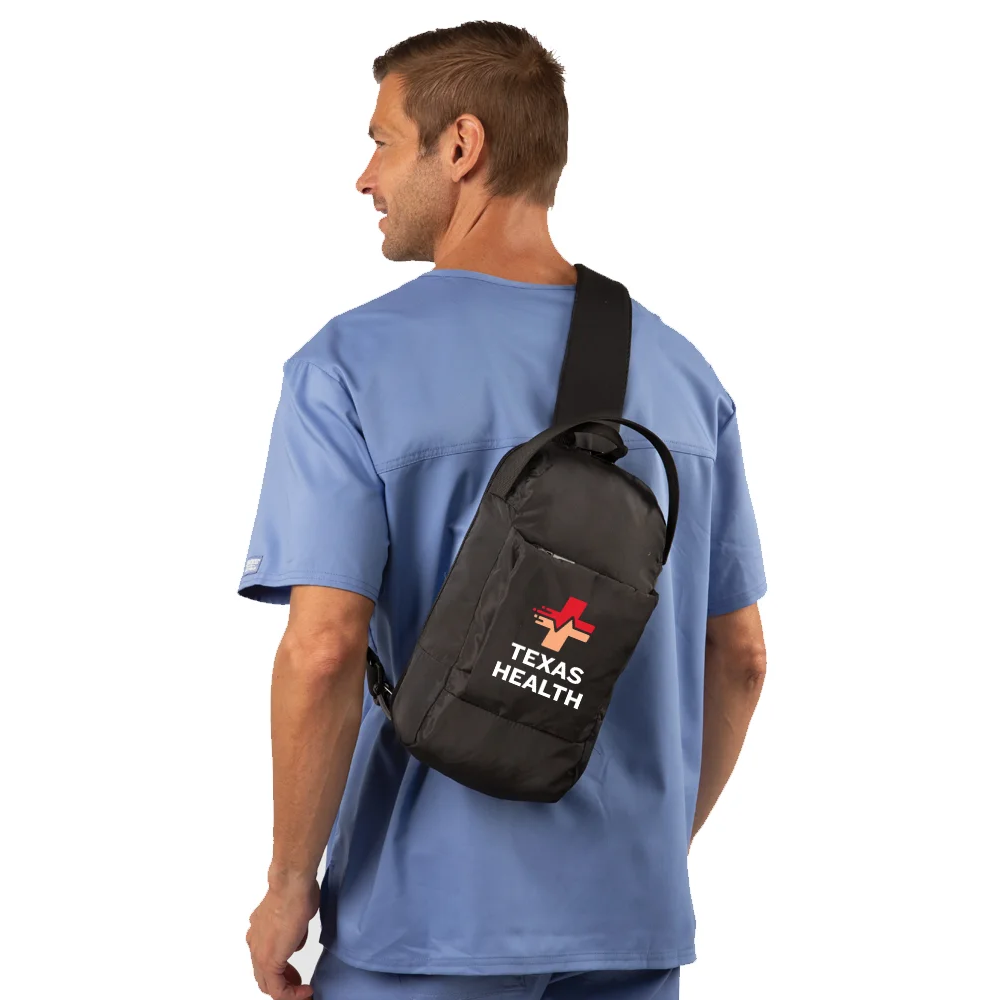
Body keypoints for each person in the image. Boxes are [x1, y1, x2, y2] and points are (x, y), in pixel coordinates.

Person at [240, 20, 767, 1000]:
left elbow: (323, 650)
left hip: (424, 926)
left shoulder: (349, 367)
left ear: (461, 146)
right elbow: (740, 657)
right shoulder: (686, 376)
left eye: (383, 141)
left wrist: (287, 886)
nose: (365, 177)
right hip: (629, 928)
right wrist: (646, 857)